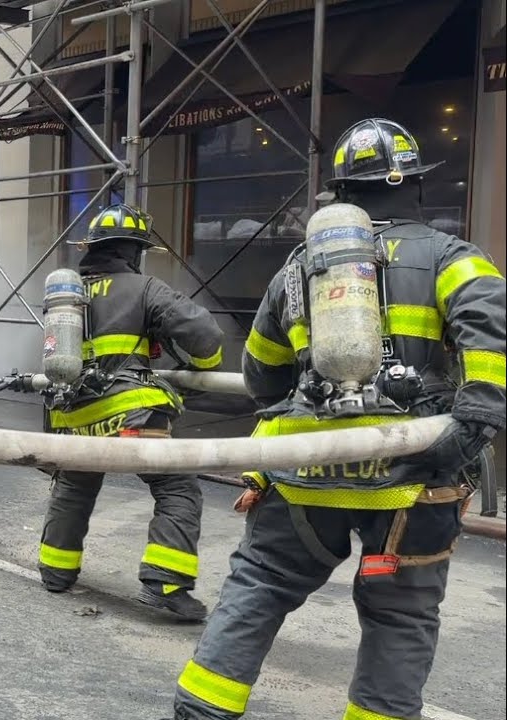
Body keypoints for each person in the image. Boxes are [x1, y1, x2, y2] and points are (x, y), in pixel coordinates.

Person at [170, 118, 505, 719]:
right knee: (401, 617)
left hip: (304, 473)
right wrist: (474, 418)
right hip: (412, 473)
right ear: (419, 188)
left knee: (261, 586)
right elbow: (492, 332)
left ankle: (202, 710)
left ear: (343, 192)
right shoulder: (456, 260)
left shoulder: (301, 268)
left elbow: (262, 376)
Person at [0, 203, 226, 621]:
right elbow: (205, 337)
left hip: (70, 419)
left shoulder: (66, 297)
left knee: (75, 487)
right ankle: (166, 581)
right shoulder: (144, 288)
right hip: (129, 413)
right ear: (134, 251)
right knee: (177, 486)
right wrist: (204, 371)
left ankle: (56, 570)